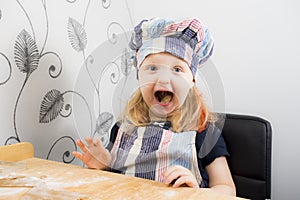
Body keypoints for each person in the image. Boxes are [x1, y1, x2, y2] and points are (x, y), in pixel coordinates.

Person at [73, 17, 236, 196]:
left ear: (192, 81)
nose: (164, 79)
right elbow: (114, 181)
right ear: (139, 77)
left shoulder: (204, 132)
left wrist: (196, 193)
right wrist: (103, 165)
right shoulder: (123, 128)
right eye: (152, 68)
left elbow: (227, 189)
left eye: (177, 69)